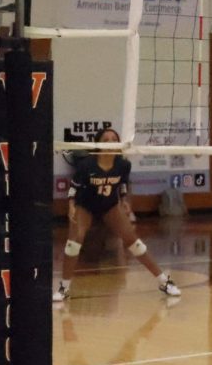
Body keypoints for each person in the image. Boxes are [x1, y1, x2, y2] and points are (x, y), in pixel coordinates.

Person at [52, 128, 181, 302]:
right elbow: (74, 187)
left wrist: (123, 200)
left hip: (109, 206)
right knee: (74, 242)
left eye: (114, 139)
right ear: (98, 145)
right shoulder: (87, 165)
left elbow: (123, 184)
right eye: (106, 140)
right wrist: (71, 205)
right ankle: (64, 288)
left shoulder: (123, 164)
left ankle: (164, 282)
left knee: (134, 243)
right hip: (86, 206)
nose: (110, 142)